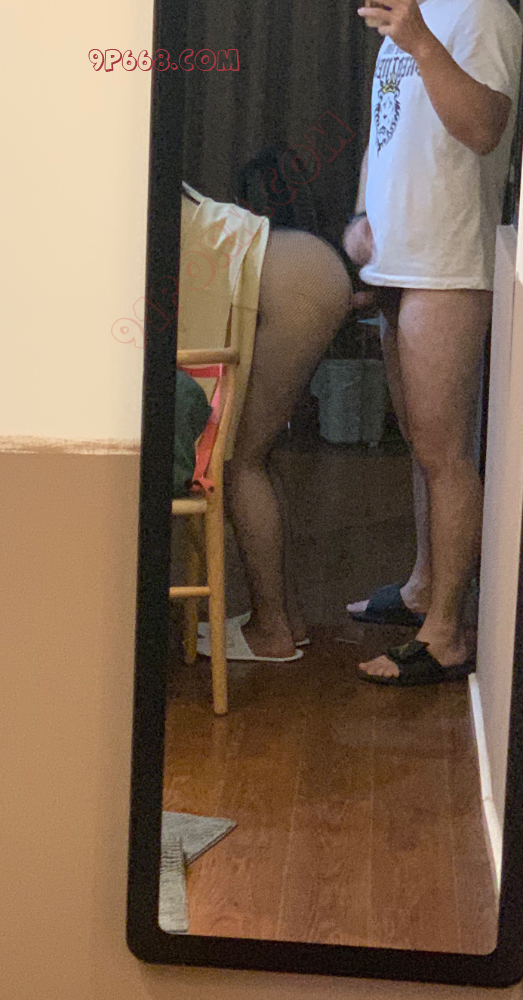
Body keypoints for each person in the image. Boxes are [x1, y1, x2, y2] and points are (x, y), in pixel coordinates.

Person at [344, 0, 522, 684]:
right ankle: (422, 588)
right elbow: (384, 131)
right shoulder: (409, 17)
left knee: (445, 454)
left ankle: (445, 634)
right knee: (422, 447)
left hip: (447, 265)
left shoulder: (483, 14)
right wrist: (362, 214)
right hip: (398, 258)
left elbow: (484, 128)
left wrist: (419, 41)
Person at [179, 184, 354, 662]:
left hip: (293, 286)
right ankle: (287, 620)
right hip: (304, 265)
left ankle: (272, 630)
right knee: (257, 457)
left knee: (239, 462)